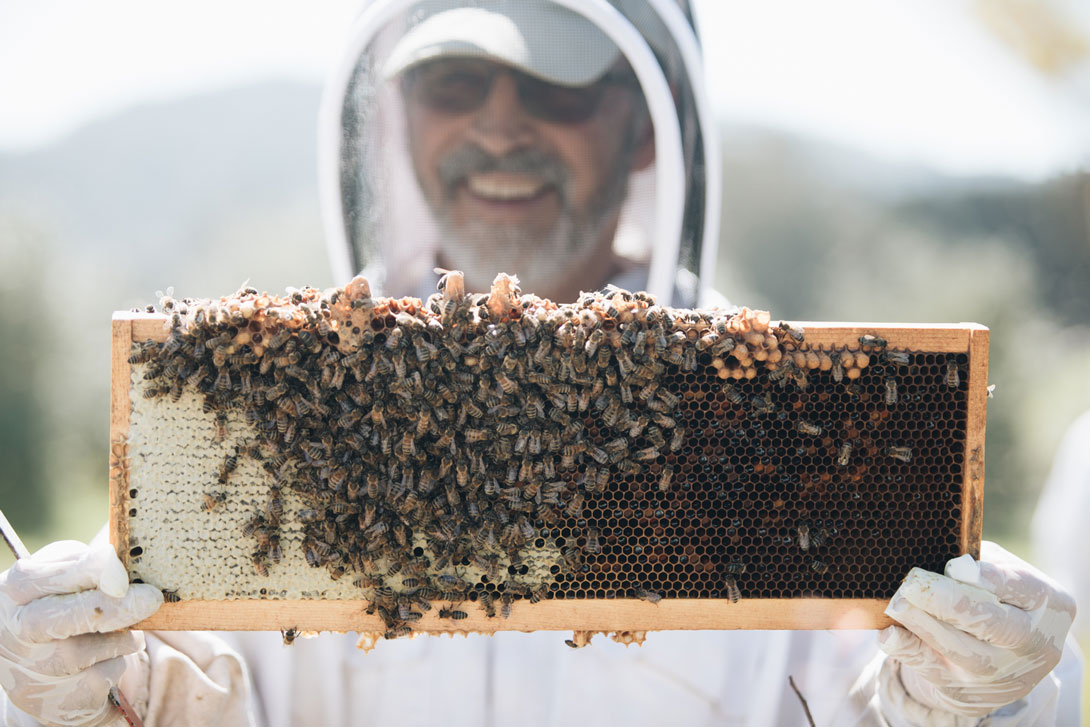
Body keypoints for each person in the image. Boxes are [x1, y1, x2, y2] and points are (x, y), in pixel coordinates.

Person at [0, 1, 1081, 725]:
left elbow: (868, 696)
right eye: (455, 80)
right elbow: (193, 689)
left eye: (558, 88)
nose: (501, 124)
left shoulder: (786, 430)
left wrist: (981, 691)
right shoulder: (265, 405)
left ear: (644, 124)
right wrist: (72, 678)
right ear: (394, 114)